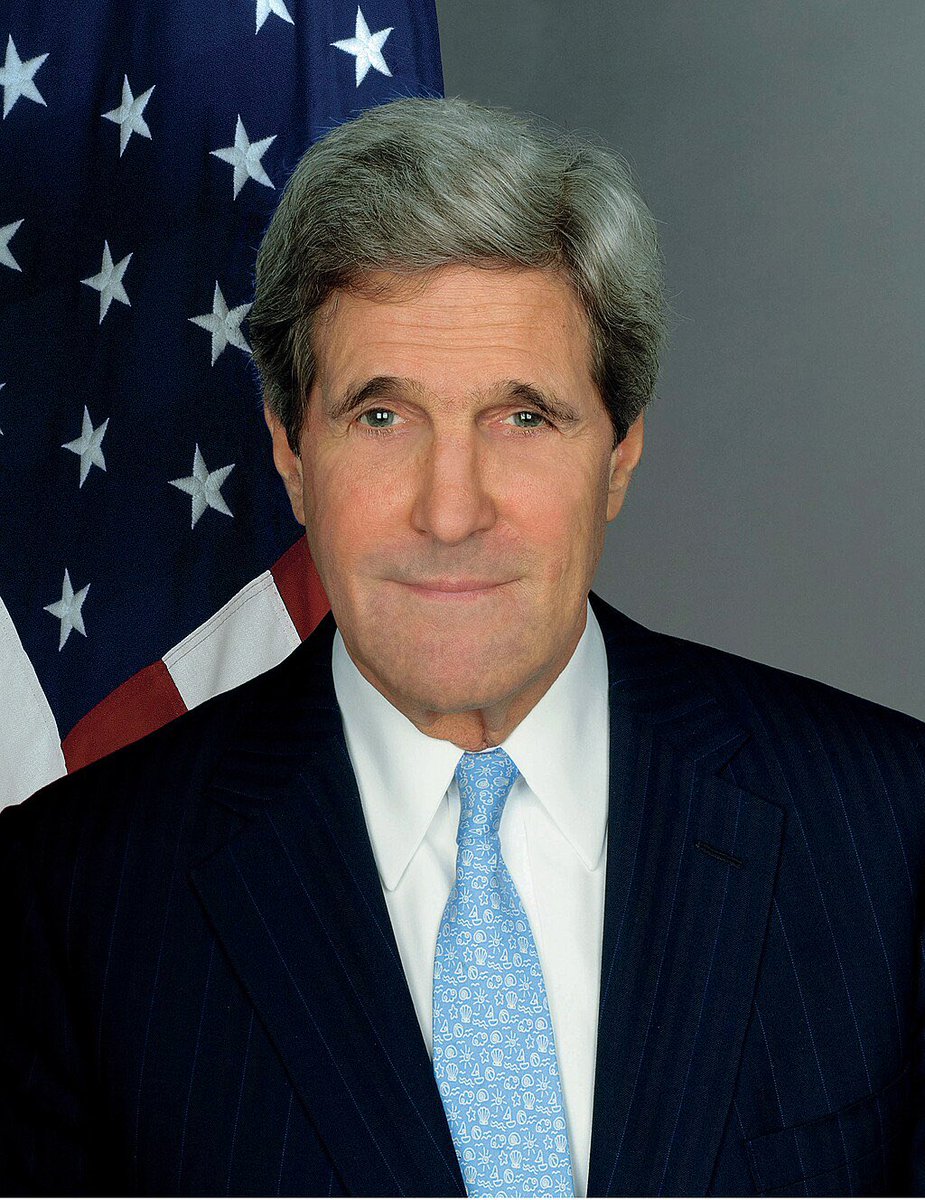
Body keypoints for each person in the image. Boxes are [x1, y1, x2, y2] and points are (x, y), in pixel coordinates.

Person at [0, 95, 922, 1199]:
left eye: (522, 418)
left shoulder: (889, 830)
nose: (449, 512)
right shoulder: (67, 898)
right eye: (381, 417)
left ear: (619, 451)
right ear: (290, 450)